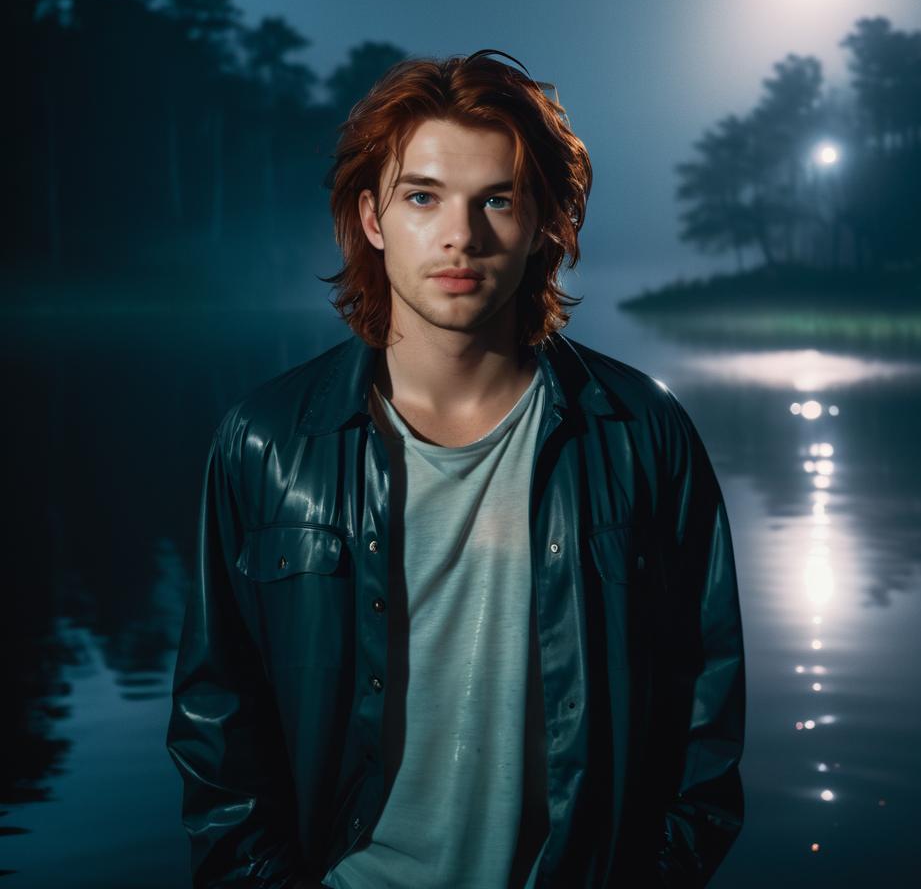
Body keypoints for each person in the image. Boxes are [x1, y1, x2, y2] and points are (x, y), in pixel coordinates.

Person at [166, 49, 746, 889]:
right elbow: (216, 724)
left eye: (498, 200)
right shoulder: (267, 443)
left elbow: (709, 717)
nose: (460, 237)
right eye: (423, 196)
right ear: (372, 218)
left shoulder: (643, 435)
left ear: (545, 220)